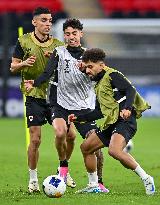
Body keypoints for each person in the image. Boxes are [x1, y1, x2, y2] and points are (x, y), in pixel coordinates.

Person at [24, 19, 109, 193]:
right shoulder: (59, 52)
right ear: (64, 35)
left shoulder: (89, 56)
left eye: (74, 33)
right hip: (61, 104)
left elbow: (99, 77)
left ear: (81, 34)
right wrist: (35, 82)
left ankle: (98, 183)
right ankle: (63, 166)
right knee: (60, 132)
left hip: (84, 107)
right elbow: (48, 72)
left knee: (94, 145)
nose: (71, 37)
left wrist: (85, 69)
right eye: (68, 34)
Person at [68, 48, 155, 195]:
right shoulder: (99, 84)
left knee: (114, 151)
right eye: (86, 67)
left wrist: (127, 108)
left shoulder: (112, 75)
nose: (87, 70)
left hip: (125, 121)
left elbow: (130, 90)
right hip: (112, 122)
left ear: (101, 65)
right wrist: (79, 117)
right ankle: (93, 185)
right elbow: (98, 112)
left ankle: (146, 178)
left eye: (90, 67)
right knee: (86, 147)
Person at [10, 7, 76, 193]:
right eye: (44, 20)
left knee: (70, 136)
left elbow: (67, 69)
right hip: (34, 97)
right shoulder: (23, 41)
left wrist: (57, 62)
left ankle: (63, 169)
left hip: (56, 97)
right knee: (36, 139)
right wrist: (24, 63)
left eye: (50, 20)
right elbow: (13, 67)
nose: (48, 24)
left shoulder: (57, 44)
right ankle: (33, 180)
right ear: (34, 22)